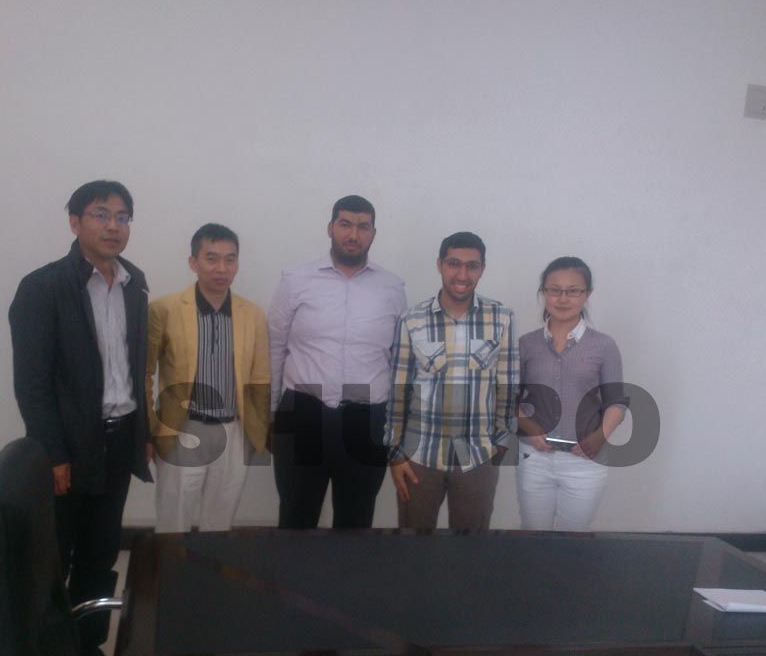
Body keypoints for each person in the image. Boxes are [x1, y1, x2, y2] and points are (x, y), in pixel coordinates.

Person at [8, 180, 152, 656]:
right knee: (53, 558)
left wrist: (143, 431)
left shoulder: (135, 283)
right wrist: (52, 452)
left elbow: (136, 366)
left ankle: (86, 650)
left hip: (120, 437)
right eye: (100, 214)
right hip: (68, 447)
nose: (114, 226)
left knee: (100, 553)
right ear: (74, 222)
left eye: (123, 216)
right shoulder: (43, 287)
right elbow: (32, 383)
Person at [268, 195, 407, 529]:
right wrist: (272, 413)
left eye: (363, 227)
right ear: (330, 227)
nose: (353, 235)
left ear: (373, 233)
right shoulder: (295, 280)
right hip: (303, 413)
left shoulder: (392, 288)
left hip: (366, 419)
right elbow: (275, 348)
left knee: (356, 524)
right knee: (296, 519)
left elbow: (399, 360)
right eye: (345, 224)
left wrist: (395, 425)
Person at [385, 232, 517, 531]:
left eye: (472, 266)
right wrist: (395, 454)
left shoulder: (502, 318)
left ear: (482, 269)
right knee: (413, 545)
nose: (462, 274)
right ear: (440, 265)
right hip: (419, 457)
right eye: (454, 263)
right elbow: (398, 391)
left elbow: (508, 386)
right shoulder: (411, 320)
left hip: (477, 458)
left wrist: (499, 442)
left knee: (471, 550)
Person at [145, 223, 270, 532]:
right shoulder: (165, 310)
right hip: (183, 429)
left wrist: (259, 429)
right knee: (173, 522)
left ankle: (210, 566)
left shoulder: (253, 314)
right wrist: (149, 430)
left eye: (230, 259)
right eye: (212, 258)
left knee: (220, 524)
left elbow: (260, 378)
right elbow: (144, 374)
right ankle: (172, 566)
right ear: (193, 262)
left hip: (233, 430)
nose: (221, 268)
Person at [516, 256, 628, 531]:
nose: (563, 298)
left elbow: (616, 402)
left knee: (574, 540)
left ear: (587, 294)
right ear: (544, 293)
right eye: (554, 290)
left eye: (573, 291)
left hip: (585, 462)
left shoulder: (604, 346)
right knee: (533, 535)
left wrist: (600, 436)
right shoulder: (526, 344)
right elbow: (507, 399)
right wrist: (528, 426)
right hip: (534, 459)